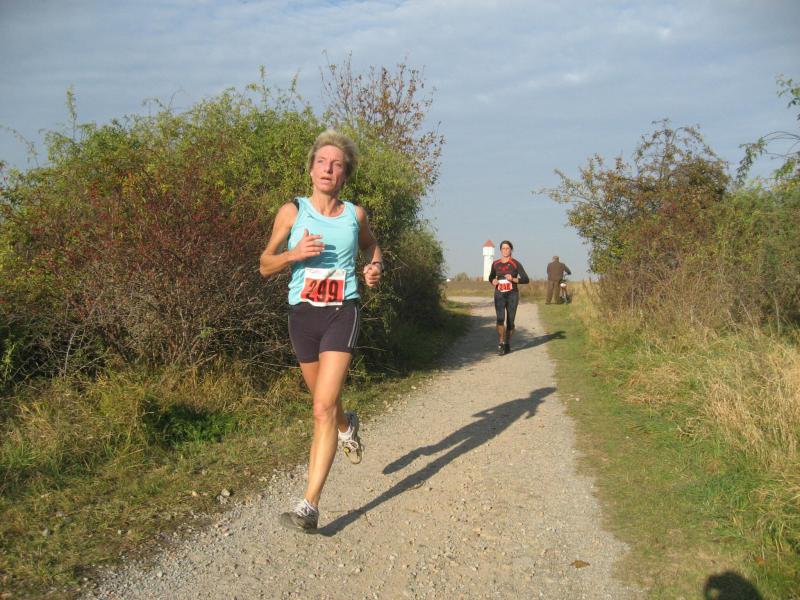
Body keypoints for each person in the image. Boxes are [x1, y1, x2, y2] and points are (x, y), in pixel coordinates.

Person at [259, 130, 383, 532]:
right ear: (311, 169)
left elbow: (372, 247)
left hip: (341, 312)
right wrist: (293, 254)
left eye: (337, 165)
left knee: (320, 408)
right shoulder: (292, 212)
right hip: (303, 316)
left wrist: (374, 267)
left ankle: (309, 506)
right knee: (325, 404)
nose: (328, 169)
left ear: (345, 174)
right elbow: (264, 264)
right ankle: (347, 426)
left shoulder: (354, 216)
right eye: (322, 162)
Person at [488, 240, 530, 355]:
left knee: (510, 322)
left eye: (507, 248)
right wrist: (493, 281)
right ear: (500, 250)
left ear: (511, 250)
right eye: (503, 248)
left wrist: (513, 279)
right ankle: (501, 343)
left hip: (512, 295)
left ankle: (507, 342)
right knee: (500, 319)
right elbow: (491, 277)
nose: (505, 250)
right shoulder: (495, 263)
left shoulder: (515, 263)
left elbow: (526, 279)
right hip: (499, 294)